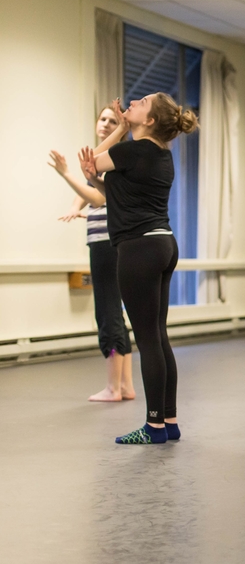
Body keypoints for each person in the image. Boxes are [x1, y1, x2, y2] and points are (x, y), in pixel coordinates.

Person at [79, 95, 197, 444]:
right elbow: (111, 193)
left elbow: (92, 160)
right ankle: (169, 422)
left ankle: (153, 427)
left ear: (148, 121)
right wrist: (96, 177)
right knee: (158, 337)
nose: (132, 101)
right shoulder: (161, 156)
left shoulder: (131, 150)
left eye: (141, 102)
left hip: (138, 249)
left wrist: (119, 129)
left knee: (147, 340)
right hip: (163, 245)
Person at [47, 107, 134, 402]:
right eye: (103, 119)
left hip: (106, 243)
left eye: (113, 120)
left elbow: (96, 192)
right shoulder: (107, 155)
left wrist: (65, 173)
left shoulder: (115, 155)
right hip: (107, 241)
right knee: (116, 312)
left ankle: (113, 388)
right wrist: (74, 208)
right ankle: (125, 385)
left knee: (107, 312)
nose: (106, 124)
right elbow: (88, 185)